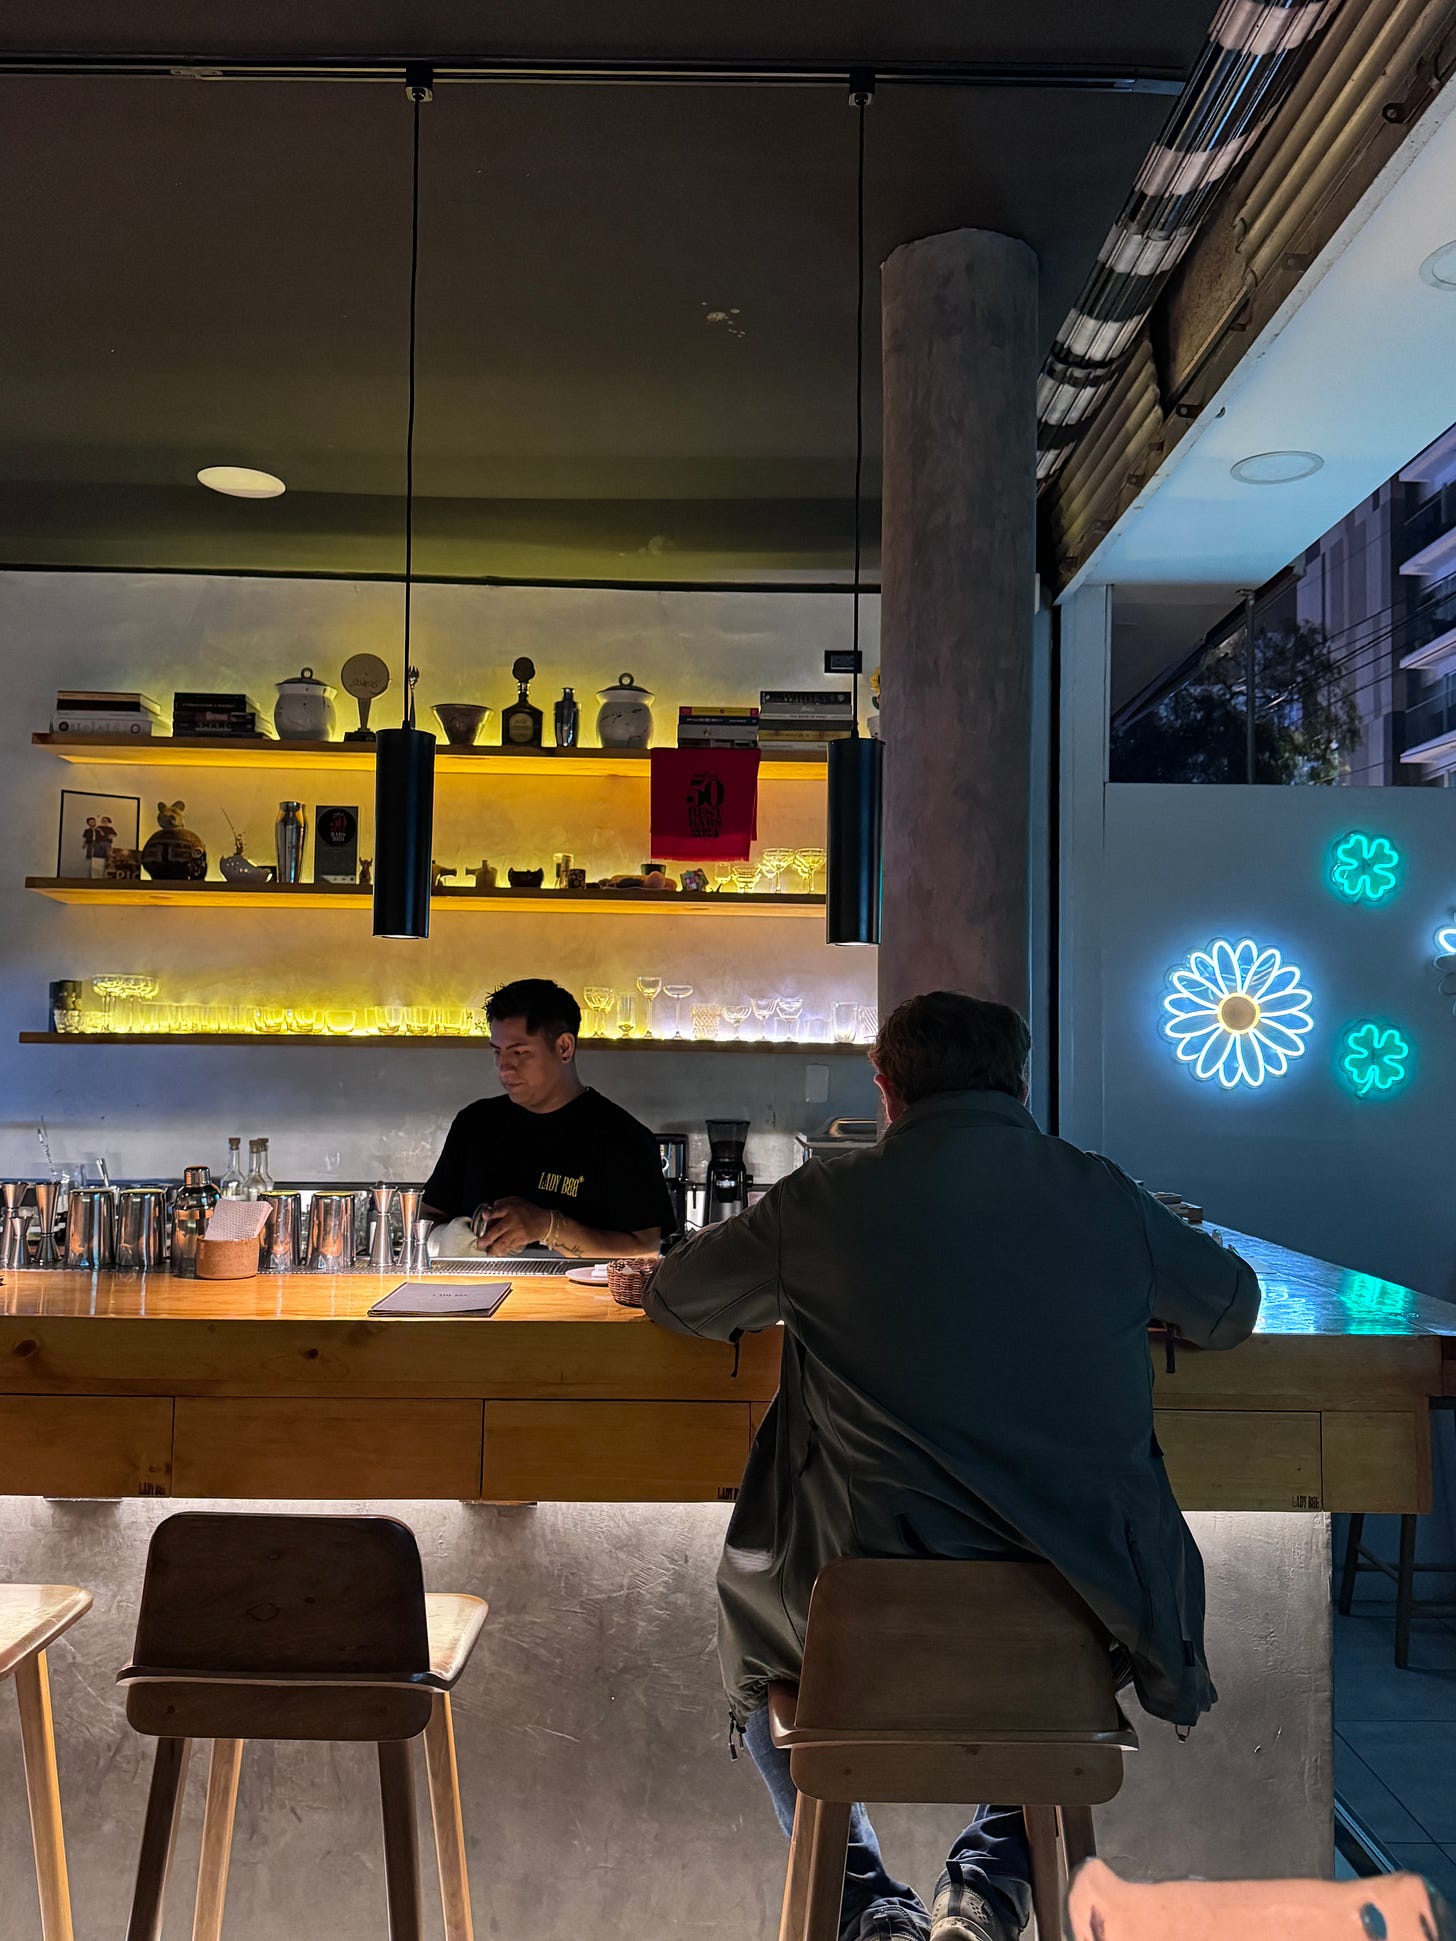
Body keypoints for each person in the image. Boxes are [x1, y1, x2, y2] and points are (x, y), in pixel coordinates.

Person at [644, 991, 1262, 1941]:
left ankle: (861, 1910)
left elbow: (680, 1301)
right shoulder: (1100, 1191)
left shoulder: (822, 1200)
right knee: (1073, 1663)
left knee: (763, 1652)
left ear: (886, 1091)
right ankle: (986, 1891)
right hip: (1071, 1623)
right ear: (1018, 1082)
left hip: (854, 1631)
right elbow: (1230, 1309)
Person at [421, 977, 673, 1258]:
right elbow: (429, 1219)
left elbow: (645, 1248)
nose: (505, 1069)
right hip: (473, 1296)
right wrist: (456, 1235)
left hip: (580, 1299)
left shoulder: (622, 1137)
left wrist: (548, 1226)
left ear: (564, 1048)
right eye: (497, 1052)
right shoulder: (475, 1123)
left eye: (520, 1052)